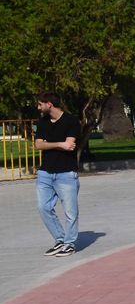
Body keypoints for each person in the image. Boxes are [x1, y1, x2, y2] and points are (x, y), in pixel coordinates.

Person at [33, 92, 80, 257]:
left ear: (49, 104)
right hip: (45, 173)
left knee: (70, 211)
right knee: (43, 207)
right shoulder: (43, 122)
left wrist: (50, 144)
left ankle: (69, 243)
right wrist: (60, 144)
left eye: (40, 104)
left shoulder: (71, 121)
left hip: (66, 174)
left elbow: (70, 145)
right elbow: (38, 145)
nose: (38, 107)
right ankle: (60, 239)